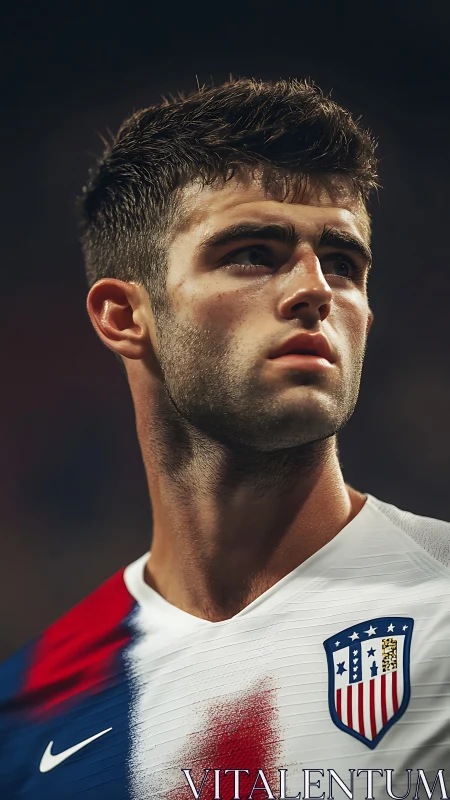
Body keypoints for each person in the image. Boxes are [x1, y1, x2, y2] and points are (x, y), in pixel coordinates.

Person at [1, 77, 449, 800]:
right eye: (252, 253)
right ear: (123, 316)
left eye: (344, 263)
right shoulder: (32, 710)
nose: (317, 289)